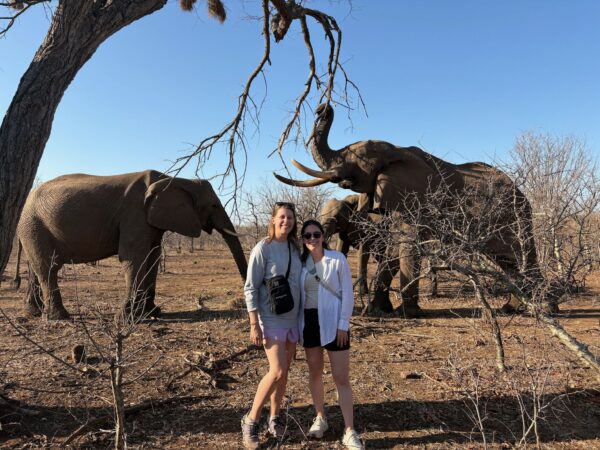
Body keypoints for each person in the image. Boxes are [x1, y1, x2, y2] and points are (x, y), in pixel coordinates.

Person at [298, 219, 364, 449]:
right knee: (315, 374)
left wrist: (343, 323)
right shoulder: (301, 263)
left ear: (323, 236)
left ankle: (349, 430)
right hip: (310, 323)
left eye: (316, 234)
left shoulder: (338, 259)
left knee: (341, 378)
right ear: (303, 239)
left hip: (335, 323)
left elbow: (347, 293)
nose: (312, 239)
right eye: (307, 236)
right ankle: (321, 417)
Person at [241, 202, 302, 449]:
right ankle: (250, 420)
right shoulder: (262, 248)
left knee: (284, 372)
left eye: (290, 217)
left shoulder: (295, 249)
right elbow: (250, 287)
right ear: (273, 220)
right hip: (270, 319)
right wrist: (254, 323)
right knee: (276, 371)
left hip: (292, 319)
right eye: (282, 217)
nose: (286, 221)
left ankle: (274, 418)